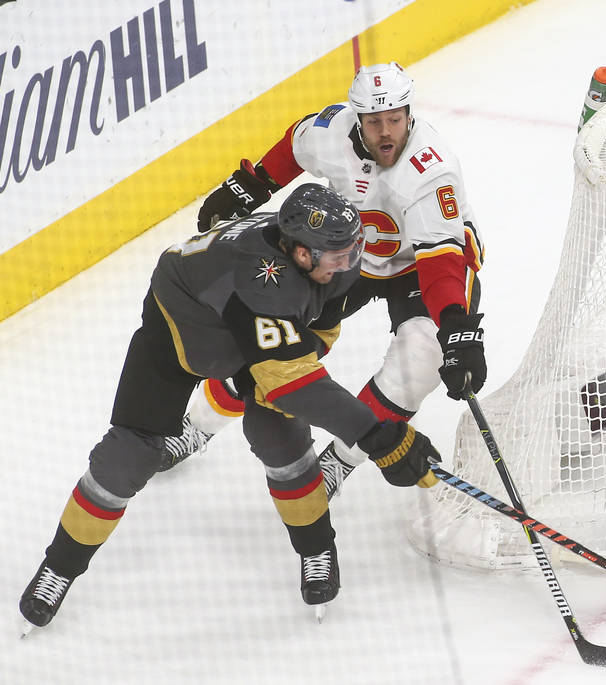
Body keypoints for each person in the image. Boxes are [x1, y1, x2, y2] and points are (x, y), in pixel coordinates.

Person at [19, 184, 444, 634]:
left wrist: (285, 369)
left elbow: (317, 332)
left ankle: (317, 548)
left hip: (249, 331)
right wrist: (379, 434)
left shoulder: (328, 260)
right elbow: (295, 383)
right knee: (129, 455)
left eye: (352, 248)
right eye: (338, 255)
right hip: (183, 329)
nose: (350, 262)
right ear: (300, 254)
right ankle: (60, 567)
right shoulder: (262, 282)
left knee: (280, 438)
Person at [162, 61, 486, 495]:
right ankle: (198, 426)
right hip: (346, 251)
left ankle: (339, 461)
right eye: (374, 122)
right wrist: (253, 184)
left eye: (395, 119)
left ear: (409, 113)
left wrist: (455, 328)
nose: (387, 132)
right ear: (357, 119)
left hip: (420, 267)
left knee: (422, 359)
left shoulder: (431, 170)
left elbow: (441, 261)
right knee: (271, 336)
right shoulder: (332, 131)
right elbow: (295, 146)